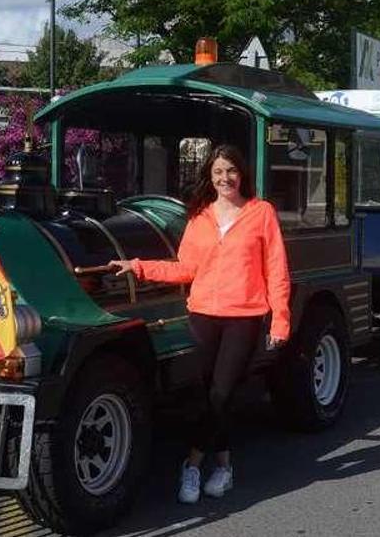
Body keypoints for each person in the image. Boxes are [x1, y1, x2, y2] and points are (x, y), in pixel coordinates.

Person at [109, 144, 290, 504]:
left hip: (245, 315)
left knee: (221, 393)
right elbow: (185, 269)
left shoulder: (261, 213)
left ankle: (191, 465)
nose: (225, 178)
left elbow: (277, 271)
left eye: (231, 171)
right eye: (218, 172)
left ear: (242, 174)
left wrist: (280, 321)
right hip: (204, 314)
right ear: (211, 177)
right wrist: (139, 266)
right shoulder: (199, 217)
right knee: (208, 396)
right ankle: (223, 467)